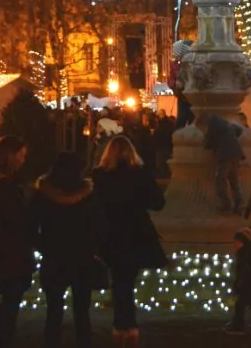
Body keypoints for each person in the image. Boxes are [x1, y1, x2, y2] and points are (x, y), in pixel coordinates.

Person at [93, 136, 167, 347]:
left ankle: (122, 323)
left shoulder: (100, 176)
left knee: (119, 278)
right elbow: (158, 202)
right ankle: (128, 324)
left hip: (110, 234)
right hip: (135, 233)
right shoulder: (139, 174)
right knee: (127, 278)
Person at [33, 151, 108, 348]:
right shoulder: (87, 195)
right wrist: (92, 247)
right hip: (81, 259)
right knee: (82, 312)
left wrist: (44, 246)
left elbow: (30, 225)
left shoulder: (43, 194)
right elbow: (99, 225)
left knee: (54, 312)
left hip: (53, 258)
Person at [0, 136, 34, 348]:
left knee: (12, 296)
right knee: (12, 297)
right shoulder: (5, 185)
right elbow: (13, 216)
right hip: (12, 244)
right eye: (21, 155)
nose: (23, 160)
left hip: (5, 242)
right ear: (11, 156)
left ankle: (0, 339)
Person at [199, 114, 246, 215]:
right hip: (236, 153)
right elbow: (240, 130)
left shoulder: (212, 128)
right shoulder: (227, 125)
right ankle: (239, 204)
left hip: (224, 155)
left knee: (220, 180)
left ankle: (226, 205)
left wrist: (204, 141)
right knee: (234, 179)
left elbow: (208, 144)